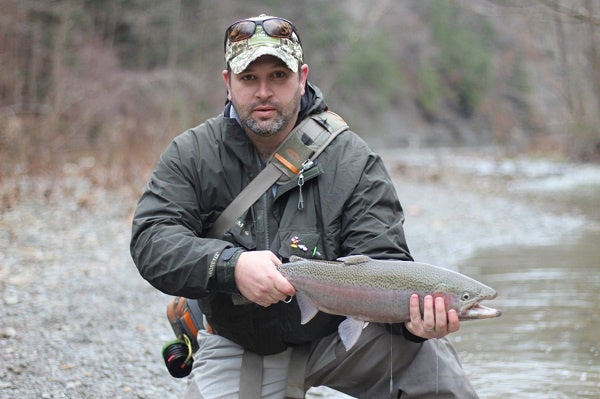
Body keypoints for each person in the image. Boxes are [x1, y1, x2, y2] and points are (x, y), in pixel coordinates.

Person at [130, 13, 479, 399]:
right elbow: (152, 241)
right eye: (249, 78)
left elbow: (383, 261)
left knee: (434, 369)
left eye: (278, 76)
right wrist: (231, 266)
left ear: (302, 78)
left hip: (339, 339)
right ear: (228, 83)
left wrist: (414, 324)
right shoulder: (192, 154)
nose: (264, 91)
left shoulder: (352, 160)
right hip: (239, 343)